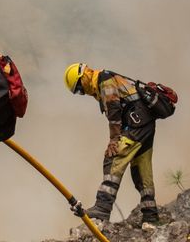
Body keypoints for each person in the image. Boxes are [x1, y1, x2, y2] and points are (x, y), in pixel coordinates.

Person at [64, 62, 159, 229]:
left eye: (79, 87)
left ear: (83, 75)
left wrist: (114, 140)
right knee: (141, 170)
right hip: (144, 124)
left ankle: (102, 208)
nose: (82, 92)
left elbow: (114, 109)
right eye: (78, 92)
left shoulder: (104, 80)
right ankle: (150, 217)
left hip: (137, 124)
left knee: (113, 158)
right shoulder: (102, 82)